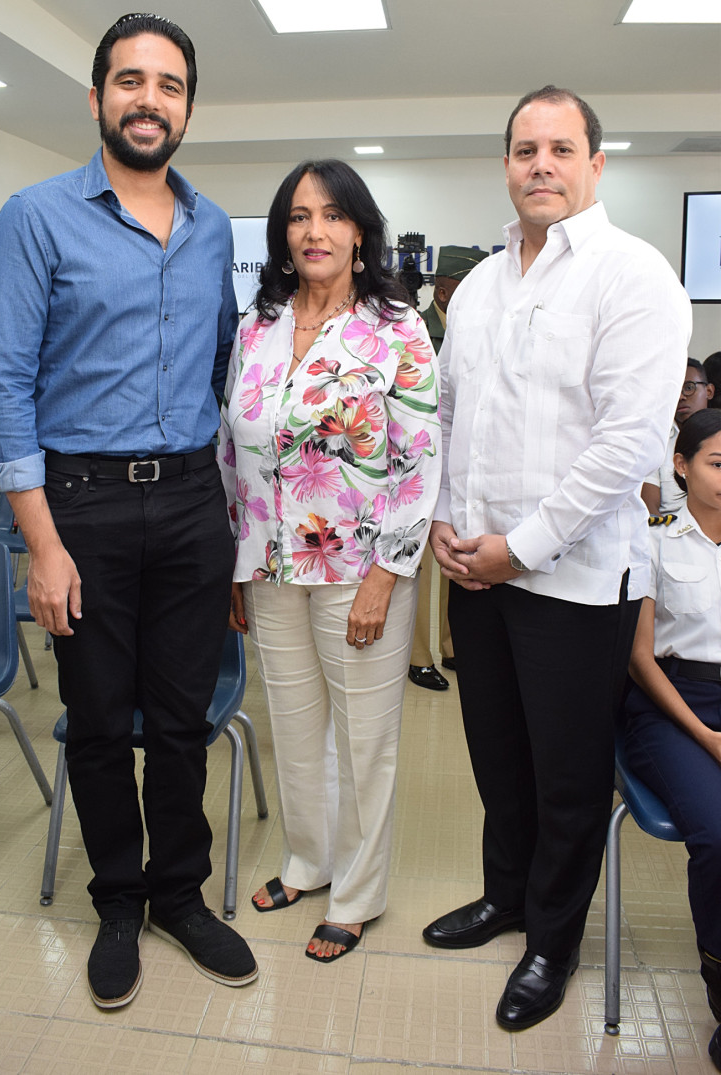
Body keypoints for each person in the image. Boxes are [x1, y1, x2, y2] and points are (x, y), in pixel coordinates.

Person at [0, 12, 257, 1009]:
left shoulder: (214, 225)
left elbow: (228, 373)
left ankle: (180, 894)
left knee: (181, 719)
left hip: (190, 500)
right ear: (96, 99)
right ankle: (118, 904)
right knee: (98, 723)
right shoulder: (34, 218)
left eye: (168, 84)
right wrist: (39, 544)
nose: (149, 98)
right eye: (129, 81)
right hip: (80, 505)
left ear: (186, 106)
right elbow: (4, 391)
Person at [423, 84, 691, 1031]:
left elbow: (626, 445)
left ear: (595, 164)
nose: (541, 165)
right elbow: (455, 418)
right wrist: (453, 526)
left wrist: (519, 549)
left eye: (561, 149)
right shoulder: (485, 284)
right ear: (506, 164)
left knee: (567, 772)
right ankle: (507, 897)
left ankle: (553, 939)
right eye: (525, 149)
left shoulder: (634, 274)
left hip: (574, 583)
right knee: (497, 759)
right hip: (475, 570)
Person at [218, 159, 441, 962]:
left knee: (366, 737)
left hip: (360, 568)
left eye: (332, 215)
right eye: (299, 216)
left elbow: (419, 459)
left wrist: (389, 571)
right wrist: (239, 559)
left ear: (359, 230)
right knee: (295, 727)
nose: (314, 231)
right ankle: (308, 862)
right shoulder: (259, 326)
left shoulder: (395, 327)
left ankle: (357, 891)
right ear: (283, 234)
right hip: (271, 564)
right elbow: (231, 448)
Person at [624, 408, 721, 1072]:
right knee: (717, 833)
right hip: (673, 703)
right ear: (681, 466)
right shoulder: (654, 535)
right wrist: (708, 736)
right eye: (718, 461)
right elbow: (640, 658)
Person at [411, 245, 488, 690]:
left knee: (454, 554)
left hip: (460, 461)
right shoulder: (417, 327)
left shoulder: (475, 327)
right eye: (466, 284)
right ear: (444, 288)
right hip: (421, 461)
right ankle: (419, 654)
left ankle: (451, 644)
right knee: (421, 560)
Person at [642, 358, 715, 514]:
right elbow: (650, 508)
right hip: (669, 532)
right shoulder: (656, 440)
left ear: (709, 391)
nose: (681, 397)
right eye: (674, 390)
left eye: (689, 387)